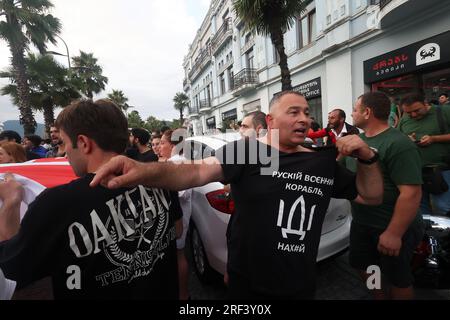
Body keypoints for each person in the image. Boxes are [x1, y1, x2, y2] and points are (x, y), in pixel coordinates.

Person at [90, 91, 383, 299]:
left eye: (307, 112)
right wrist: (141, 170)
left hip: (300, 283)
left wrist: (367, 158)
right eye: (293, 112)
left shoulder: (320, 161)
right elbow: (193, 173)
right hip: (247, 281)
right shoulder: (248, 151)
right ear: (270, 121)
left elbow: (370, 197)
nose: (304, 118)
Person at [0, 99, 182, 299]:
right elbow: (178, 230)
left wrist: (11, 203)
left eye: (64, 143)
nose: (65, 153)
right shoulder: (157, 176)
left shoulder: (56, 204)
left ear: (84, 143)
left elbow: (14, 269)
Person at [343, 91, 423, 299]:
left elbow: (412, 193)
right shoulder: (355, 141)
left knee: (398, 278)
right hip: (362, 223)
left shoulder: (398, 143)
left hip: (390, 226)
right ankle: (379, 295)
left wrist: (394, 234)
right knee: (366, 267)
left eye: (354, 109)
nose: (351, 114)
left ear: (367, 112)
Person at [398, 93, 450, 216]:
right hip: (416, 172)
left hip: (443, 169)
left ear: (426, 103)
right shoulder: (405, 119)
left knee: (443, 208)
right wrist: (407, 140)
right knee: (420, 210)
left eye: (417, 110)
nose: (413, 115)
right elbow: (398, 137)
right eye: (409, 113)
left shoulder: (444, 111)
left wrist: (434, 139)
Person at [159, 129, 192, 300]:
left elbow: (180, 193)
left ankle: (183, 295)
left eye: (163, 143)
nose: (159, 147)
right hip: (179, 218)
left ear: (173, 145)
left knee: (179, 256)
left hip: (177, 220)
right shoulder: (181, 162)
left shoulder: (175, 164)